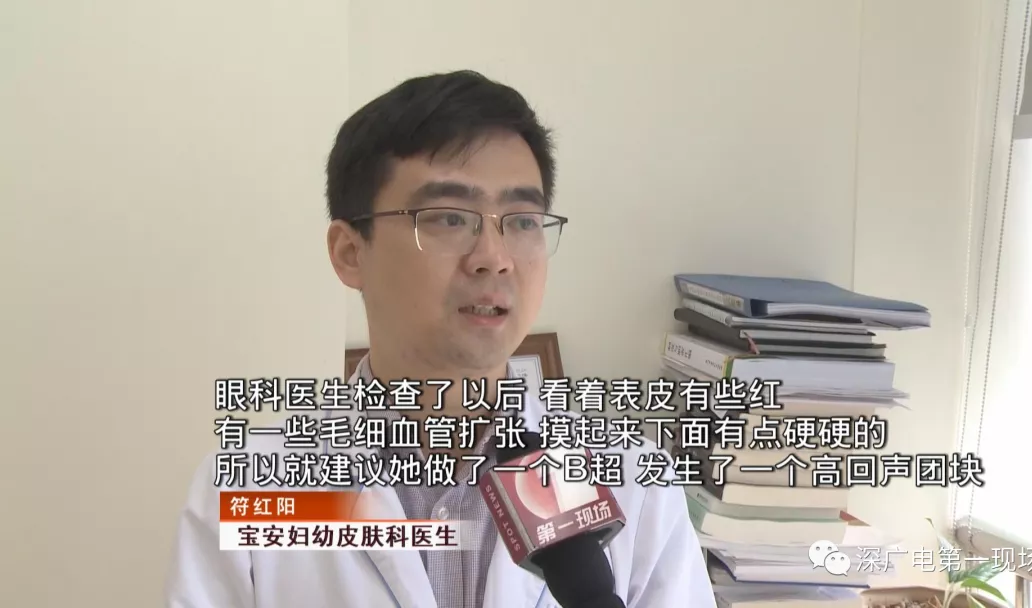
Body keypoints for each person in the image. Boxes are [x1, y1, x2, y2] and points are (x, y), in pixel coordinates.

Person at [165, 70, 716, 608]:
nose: (494, 258)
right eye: (450, 218)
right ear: (350, 252)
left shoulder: (634, 482)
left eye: (523, 220)